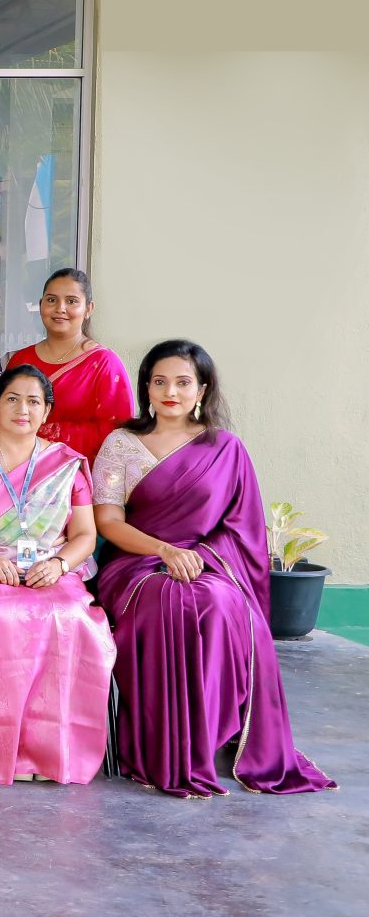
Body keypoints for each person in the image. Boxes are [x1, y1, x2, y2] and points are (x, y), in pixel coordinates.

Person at [94, 340, 335, 798]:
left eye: (183, 383)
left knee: (217, 600)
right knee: (168, 599)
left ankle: (209, 736)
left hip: (208, 564)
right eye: (160, 381)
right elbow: (108, 522)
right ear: (146, 386)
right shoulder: (122, 443)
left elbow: (242, 531)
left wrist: (199, 558)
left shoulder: (225, 449)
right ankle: (168, 746)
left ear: (202, 389)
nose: (171, 392)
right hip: (136, 562)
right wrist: (165, 551)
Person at [0, 364, 115, 786]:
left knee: (72, 619)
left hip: (49, 571)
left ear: (46, 412)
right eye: (13, 399)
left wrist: (58, 565)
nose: (23, 409)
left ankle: (51, 753)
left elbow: (85, 536)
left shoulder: (65, 465)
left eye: (33, 401)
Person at [3, 268, 135, 462]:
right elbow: (2, 417)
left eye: (71, 301)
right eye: (51, 300)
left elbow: (117, 431)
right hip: (18, 470)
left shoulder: (103, 363)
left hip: (76, 478)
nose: (60, 308)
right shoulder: (20, 360)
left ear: (89, 308)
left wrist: (47, 436)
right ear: (40, 305)